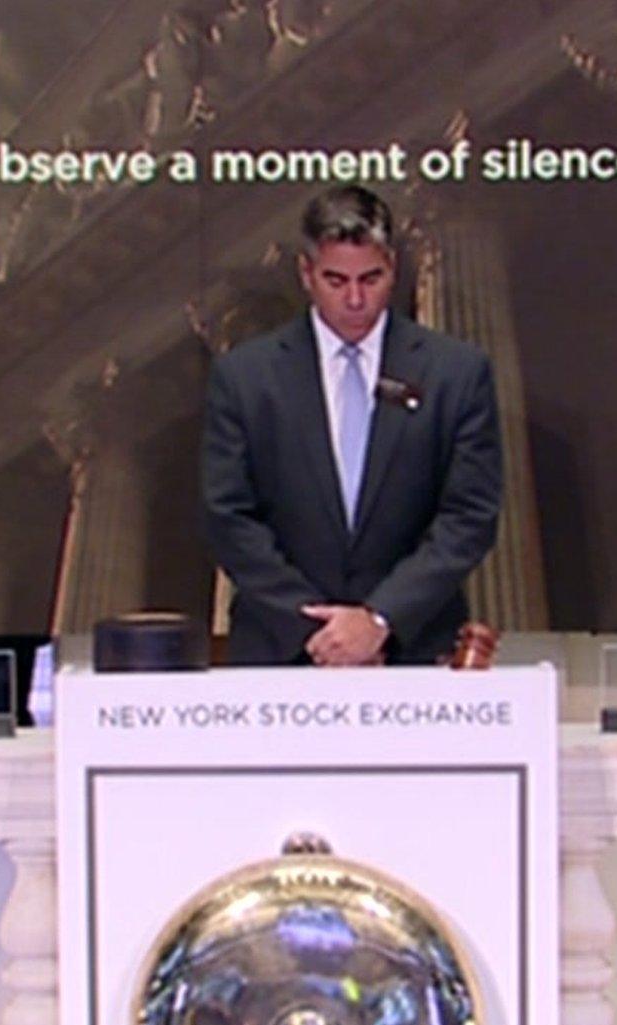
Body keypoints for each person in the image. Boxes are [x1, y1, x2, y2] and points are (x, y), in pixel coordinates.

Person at [202, 184, 503, 666]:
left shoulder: (456, 372)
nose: (356, 299)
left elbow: (469, 516)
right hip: (281, 653)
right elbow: (229, 517)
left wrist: (380, 620)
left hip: (415, 649)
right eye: (336, 280)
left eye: (372, 278)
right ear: (306, 273)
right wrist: (322, 631)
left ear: (394, 269)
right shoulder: (244, 378)